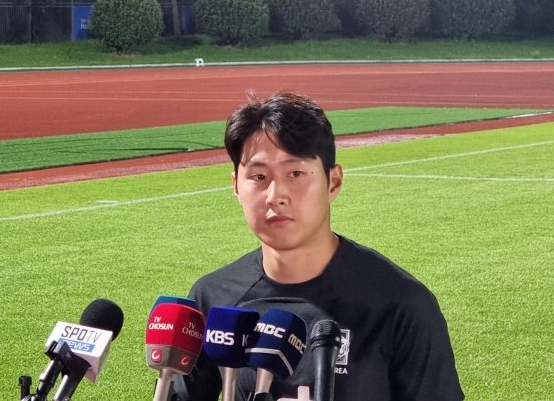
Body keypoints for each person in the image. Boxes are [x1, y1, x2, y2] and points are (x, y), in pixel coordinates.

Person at [172, 91, 464, 401]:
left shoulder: (400, 304)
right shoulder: (215, 300)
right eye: (258, 176)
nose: (275, 195)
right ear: (235, 187)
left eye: (295, 173)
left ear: (333, 182)